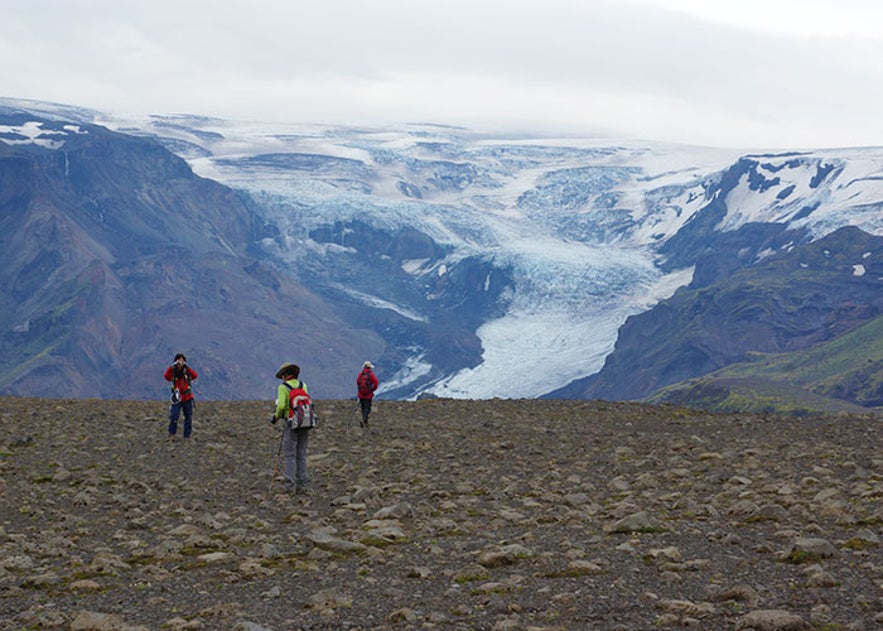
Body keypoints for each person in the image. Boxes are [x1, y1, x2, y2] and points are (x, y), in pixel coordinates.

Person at [271, 362, 313, 493]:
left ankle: (289, 485)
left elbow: (282, 406)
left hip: (291, 422)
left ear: (285, 375)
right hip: (305, 421)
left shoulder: (283, 387)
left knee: (290, 454)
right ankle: (302, 484)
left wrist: (276, 417)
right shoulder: (303, 385)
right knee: (301, 453)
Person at [164, 353, 198, 440]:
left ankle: (187, 435)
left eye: (182, 360)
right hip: (177, 397)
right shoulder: (173, 371)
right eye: (179, 360)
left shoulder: (187, 371)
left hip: (187, 396)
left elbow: (195, 376)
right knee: (174, 415)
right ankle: (171, 433)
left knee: (188, 416)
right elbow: (166, 377)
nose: (180, 362)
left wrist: (187, 367)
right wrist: (171, 367)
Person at [356, 361, 379, 427]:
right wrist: (372, 389)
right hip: (368, 395)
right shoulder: (371, 374)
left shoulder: (361, 374)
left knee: (363, 407)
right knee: (367, 408)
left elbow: (358, 382)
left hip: (361, 394)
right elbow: (376, 383)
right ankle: (365, 420)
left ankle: (364, 420)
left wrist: (360, 391)